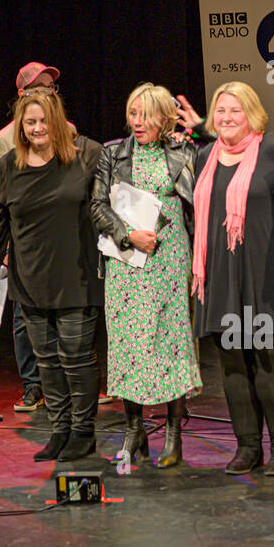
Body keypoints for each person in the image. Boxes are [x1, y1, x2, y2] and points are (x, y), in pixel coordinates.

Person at [0, 90, 104, 462]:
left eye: (43, 121)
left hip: (76, 275)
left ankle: (83, 431)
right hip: (30, 277)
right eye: (29, 123)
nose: (36, 129)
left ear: (58, 121)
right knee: (46, 359)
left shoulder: (86, 155)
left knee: (77, 357)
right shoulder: (9, 167)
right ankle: (60, 429)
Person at [189, 82, 274, 476]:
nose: (226, 118)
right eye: (220, 111)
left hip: (266, 275)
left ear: (253, 114)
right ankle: (247, 447)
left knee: (269, 359)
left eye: (235, 111)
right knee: (233, 363)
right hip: (221, 275)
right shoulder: (204, 158)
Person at [90, 84, 201, 468]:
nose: (138, 122)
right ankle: (134, 429)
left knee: (170, 341)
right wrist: (126, 235)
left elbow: (200, 196)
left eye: (147, 115)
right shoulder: (112, 153)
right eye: (133, 114)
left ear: (165, 117)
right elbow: (97, 205)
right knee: (128, 343)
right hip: (127, 259)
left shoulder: (184, 152)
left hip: (169, 258)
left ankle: (173, 433)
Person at [0, 63, 60, 415]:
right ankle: (32, 385)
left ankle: (68, 381)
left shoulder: (67, 132)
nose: (46, 92)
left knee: (68, 309)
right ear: (22, 95)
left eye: (50, 87)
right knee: (23, 316)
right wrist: (3, 247)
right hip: (22, 240)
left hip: (61, 240)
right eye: (39, 87)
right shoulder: (3, 140)